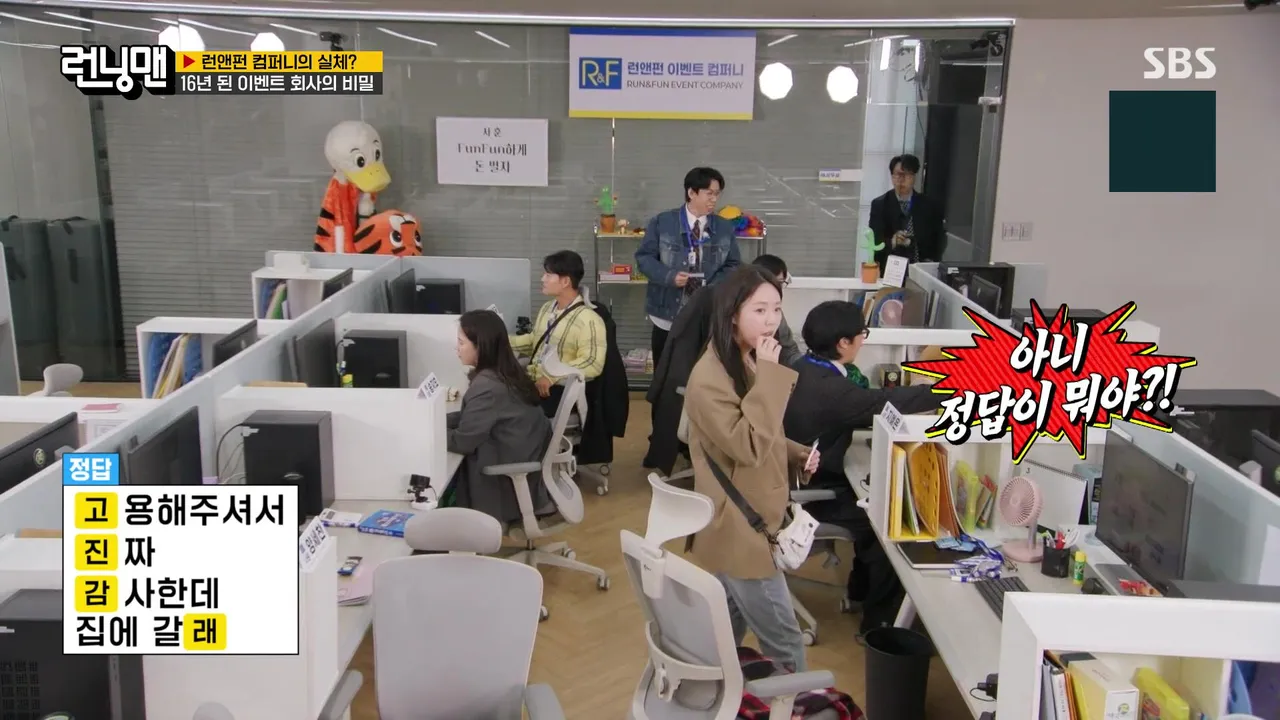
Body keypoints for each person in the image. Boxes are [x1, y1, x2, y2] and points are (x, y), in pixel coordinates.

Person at [684, 265, 820, 673]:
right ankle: (793, 701)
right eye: (759, 310)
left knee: (726, 632)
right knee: (785, 642)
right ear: (732, 315)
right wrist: (772, 376)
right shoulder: (710, 378)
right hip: (743, 529)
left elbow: (760, 430)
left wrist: (795, 454)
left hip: (747, 516)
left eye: (776, 309)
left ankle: (715, 694)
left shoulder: (743, 359)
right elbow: (748, 444)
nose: (771, 320)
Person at [782, 300, 943, 635]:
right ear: (843, 343)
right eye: (862, 334)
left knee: (870, 506)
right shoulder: (832, 390)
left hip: (799, 478)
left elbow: (860, 408)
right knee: (888, 525)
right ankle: (878, 623)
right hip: (811, 493)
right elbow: (882, 403)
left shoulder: (805, 367)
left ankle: (859, 591)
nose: (863, 340)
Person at [446, 310, 553, 525]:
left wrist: (427, 431)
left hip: (503, 483)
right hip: (520, 465)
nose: (456, 348)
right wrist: (432, 418)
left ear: (481, 346)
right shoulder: (505, 372)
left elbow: (463, 442)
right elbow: (474, 416)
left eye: (461, 342)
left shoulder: (488, 386)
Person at [635, 166, 742, 367]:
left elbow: (734, 264)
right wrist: (669, 276)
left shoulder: (724, 227)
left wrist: (711, 286)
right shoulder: (662, 223)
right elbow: (644, 259)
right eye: (709, 193)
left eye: (717, 194)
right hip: (667, 313)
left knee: (703, 372)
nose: (714, 199)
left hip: (707, 314)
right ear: (692, 193)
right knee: (665, 372)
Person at [510, 250, 607, 416]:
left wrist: (552, 377)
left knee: (506, 412)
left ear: (565, 281)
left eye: (548, 275)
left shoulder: (589, 320)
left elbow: (592, 363)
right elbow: (535, 341)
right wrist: (499, 340)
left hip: (559, 391)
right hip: (536, 384)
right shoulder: (547, 308)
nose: (543, 279)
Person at [868, 154, 947, 271]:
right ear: (892, 176)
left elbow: (939, 239)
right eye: (898, 174)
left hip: (921, 269)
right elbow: (874, 241)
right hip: (891, 270)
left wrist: (932, 261)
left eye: (907, 175)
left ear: (914, 177)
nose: (901, 180)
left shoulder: (930, 206)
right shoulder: (879, 205)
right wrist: (892, 241)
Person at [750, 254, 802, 367]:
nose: (771, 321)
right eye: (759, 310)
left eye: (780, 283)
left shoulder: (777, 314)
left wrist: (806, 367)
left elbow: (788, 349)